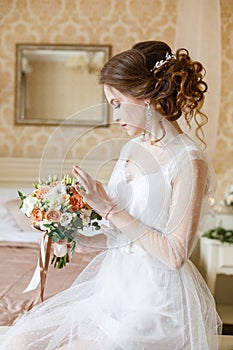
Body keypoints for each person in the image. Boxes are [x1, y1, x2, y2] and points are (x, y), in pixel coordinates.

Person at [1, 41, 222, 350]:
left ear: (146, 97)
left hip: (155, 302)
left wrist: (108, 207)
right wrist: (73, 236)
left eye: (117, 102)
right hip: (114, 292)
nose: (114, 114)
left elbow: (174, 255)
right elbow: (117, 238)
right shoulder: (131, 149)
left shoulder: (188, 160)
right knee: (20, 340)